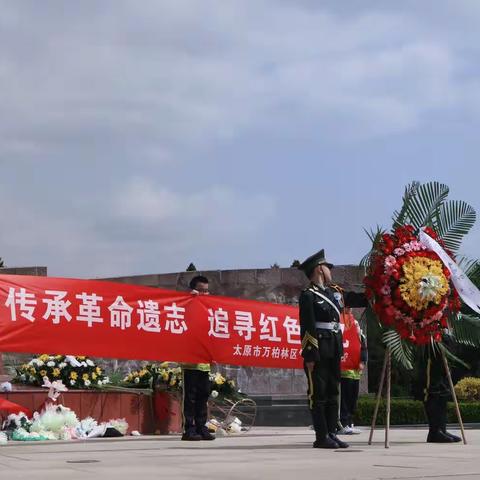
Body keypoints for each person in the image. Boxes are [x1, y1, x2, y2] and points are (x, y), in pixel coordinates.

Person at [298, 249, 366, 449]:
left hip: (334, 348)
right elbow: (307, 326)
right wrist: (310, 354)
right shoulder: (308, 296)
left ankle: (331, 432)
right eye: (328, 267)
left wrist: (379, 291)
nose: (330, 270)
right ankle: (321, 436)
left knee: (332, 393)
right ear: (319, 269)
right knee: (318, 394)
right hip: (318, 350)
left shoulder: (333, 292)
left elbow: (356, 299)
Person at [181, 275, 215, 441]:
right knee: (191, 397)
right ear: (193, 290)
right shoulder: (186, 305)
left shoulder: (210, 309)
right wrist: (191, 299)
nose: (204, 294)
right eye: (201, 290)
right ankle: (189, 428)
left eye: (206, 291)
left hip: (205, 363)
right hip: (190, 362)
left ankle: (202, 427)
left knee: (204, 395)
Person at [416, 338, 461, 443]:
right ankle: (434, 432)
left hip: (443, 343)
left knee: (443, 391)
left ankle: (442, 429)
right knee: (432, 390)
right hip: (430, 343)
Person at [337, 308, 367, 435]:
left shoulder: (356, 325)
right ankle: (342, 423)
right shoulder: (339, 323)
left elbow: (362, 343)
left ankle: (349, 422)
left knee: (352, 399)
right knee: (344, 398)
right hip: (343, 370)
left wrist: (362, 361)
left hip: (355, 371)